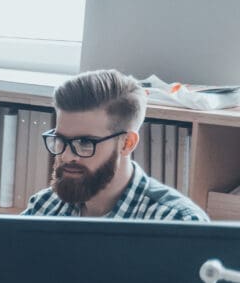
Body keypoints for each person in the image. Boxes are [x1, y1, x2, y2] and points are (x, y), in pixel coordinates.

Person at [24, 69, 207, 220]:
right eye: (61, 140)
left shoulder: (178, 223)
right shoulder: (43, 207)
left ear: (127, 143)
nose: (66, 156)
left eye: (85, 143)